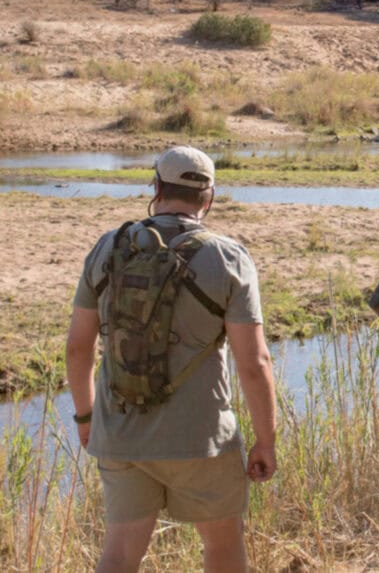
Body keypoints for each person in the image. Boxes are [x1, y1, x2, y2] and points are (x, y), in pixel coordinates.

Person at [65, 145, 277, 573]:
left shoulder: (107, 248)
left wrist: (86, 419)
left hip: (121, 432)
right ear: (209, 197)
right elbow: (254, 364)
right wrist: (266, 440)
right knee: (222, 547)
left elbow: (77, 347)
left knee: (121, 552)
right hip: (202, 439)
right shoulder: (228, 257)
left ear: (156, 188)